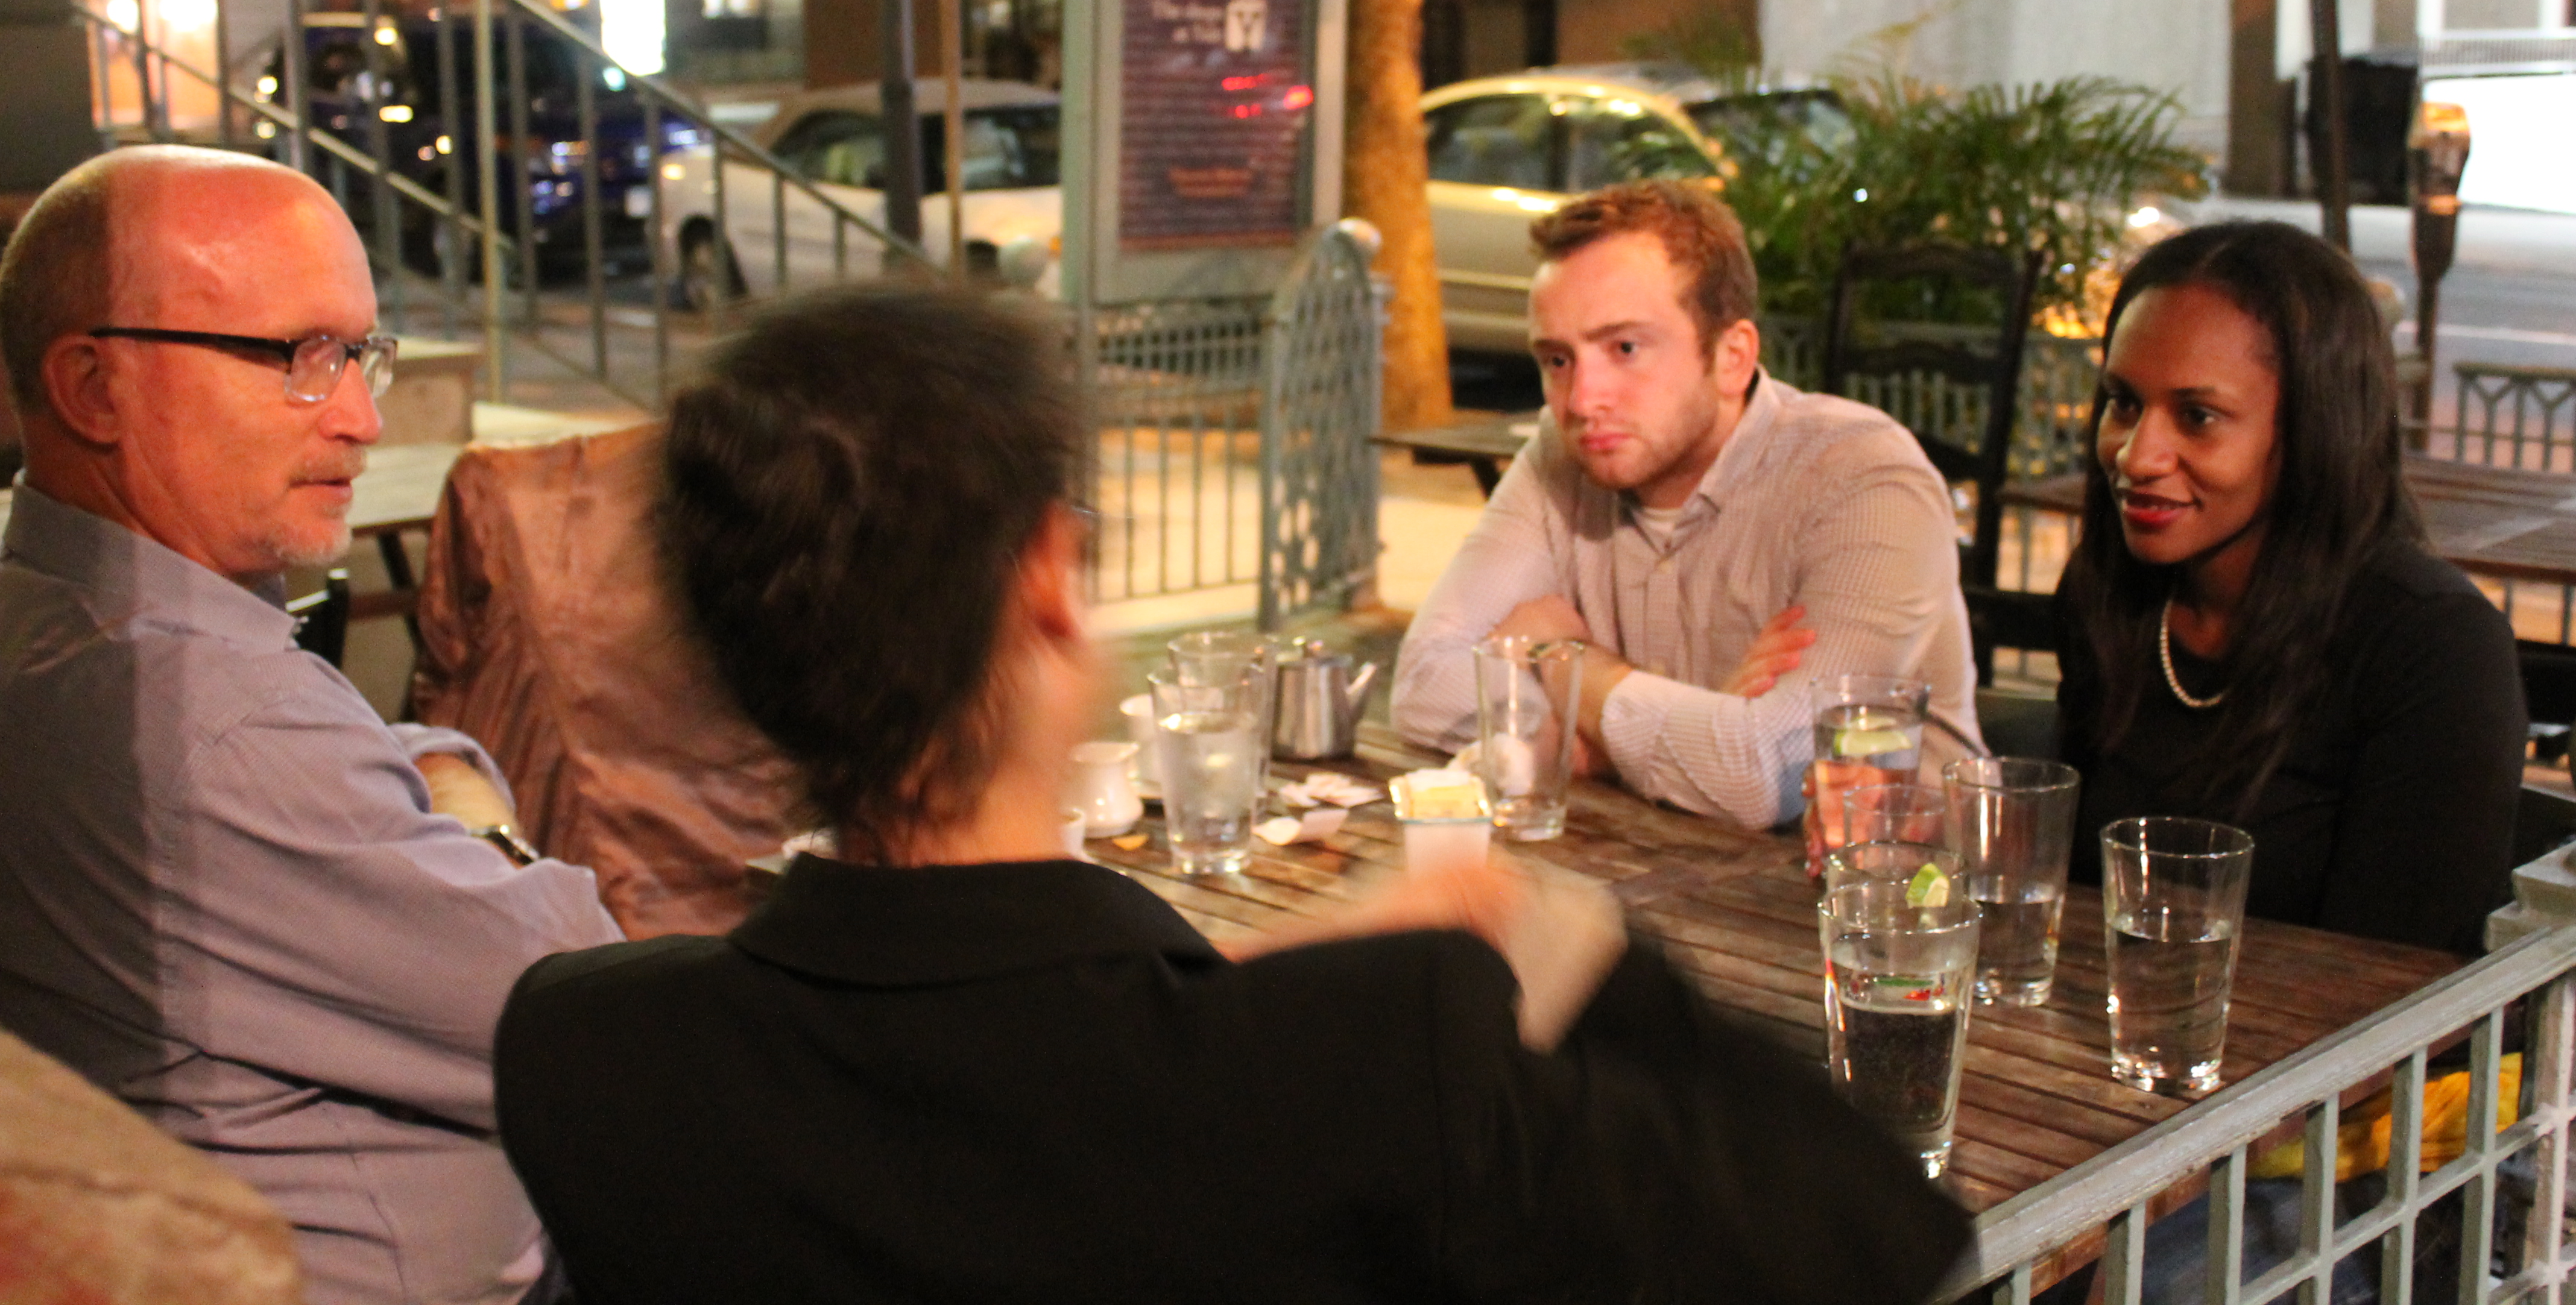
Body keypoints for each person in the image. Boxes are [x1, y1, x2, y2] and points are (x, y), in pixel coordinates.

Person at [492, 283, 1972, 1305]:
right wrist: (1570, 943)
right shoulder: (1387, 1058)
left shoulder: (588, 1054)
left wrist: (1243, 972)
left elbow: (1002, 1051)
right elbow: (1875, 1232)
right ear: (1048, 579)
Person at [0, 148, 623, 1305]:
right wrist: (483, 826)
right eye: (298, 356)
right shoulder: (209, 721)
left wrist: (427, 768)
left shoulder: (54, 615)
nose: (361, 418)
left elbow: (396, 758)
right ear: (93, 387)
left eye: (358, 353)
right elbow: (590, 1012)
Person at [1392, 180, 1980, 831]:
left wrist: (1566, 660)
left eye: (1625, 349)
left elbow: (1766, 776)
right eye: (1558, 359)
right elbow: (1421, 685)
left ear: (1733, 358)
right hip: (1662, 868)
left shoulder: (1863, 479)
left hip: (1899, 886)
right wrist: (1676, 731)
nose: (1582, 400)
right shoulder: (1560, 456)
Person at [2056, 218, 2525, 958]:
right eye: (2123, 402)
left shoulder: (2433, 646)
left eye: (2198, 416)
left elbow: (2402, 987)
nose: (2138, 456)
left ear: (2313, 428)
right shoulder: (2109, 593)